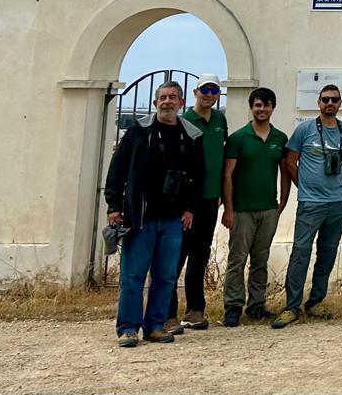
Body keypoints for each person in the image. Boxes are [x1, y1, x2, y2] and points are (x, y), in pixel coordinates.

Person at [104, 80, 205, 347]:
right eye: (162, 97)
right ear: (155, 102)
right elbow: (118, 170)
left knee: (166, 276)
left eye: (173, 97)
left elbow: (199, 175)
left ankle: (155, 326)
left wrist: (190, 208)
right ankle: (128, 328)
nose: (167, 102)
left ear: (181, 103)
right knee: (133, 275)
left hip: (173, 219)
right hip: (141, 217)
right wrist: (114, 206)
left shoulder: (191, 136)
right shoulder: (139, 133)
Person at [273, 83, 342, 328]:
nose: (330, 104)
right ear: (318, 103)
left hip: (337, 203)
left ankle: (316, 301)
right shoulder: (304, 129)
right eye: (326, 99)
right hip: (311, 203)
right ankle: (291, 307)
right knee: (300, 253)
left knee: (327, 254)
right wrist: (304, 187)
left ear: (340, 104)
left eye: (335, 100)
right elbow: (289, 162)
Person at [220, 86, 290, 327]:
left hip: (268, 208)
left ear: (273, 107)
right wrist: (228, 209)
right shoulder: (238, 138)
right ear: (252, 108)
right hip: (242, 210)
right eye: (258, 105)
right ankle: (233, 306)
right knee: (237, 259)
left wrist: (283, 200)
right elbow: (227, 174)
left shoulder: (279, 138)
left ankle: (257, 304)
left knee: (261, 259)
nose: (262, 109)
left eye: (266, 105)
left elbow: (285, 170)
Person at [168, 74, 227, 332]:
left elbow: (222, 158)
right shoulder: (183, 122)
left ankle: (195, 310)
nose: (209, 94)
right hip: (185, 202)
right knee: (175, 257)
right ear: (195, 92)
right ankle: (167, 312)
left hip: (210, 199)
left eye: (213, 90)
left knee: (200, 256)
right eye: (205, 89)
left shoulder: (219, 120)